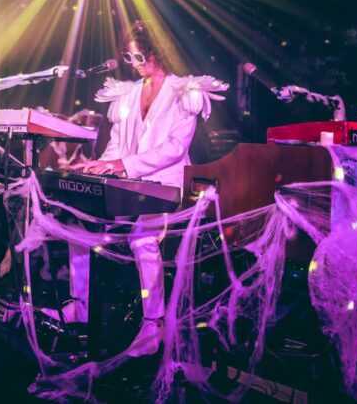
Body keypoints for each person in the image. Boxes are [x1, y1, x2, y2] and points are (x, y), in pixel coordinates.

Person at [42, 20, 226, 357]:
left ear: (158, 53)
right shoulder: (127, 94)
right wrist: (98, 167)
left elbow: (175, 148)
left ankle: (153, 325)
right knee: (77, 227)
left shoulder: (185, 92)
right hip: (129, 185)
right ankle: (80, 307)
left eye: (140, 56)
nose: (134, 64)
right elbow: (116, 146)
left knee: (142, 239)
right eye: (128, 58)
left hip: (168, 186)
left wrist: (123, 165)